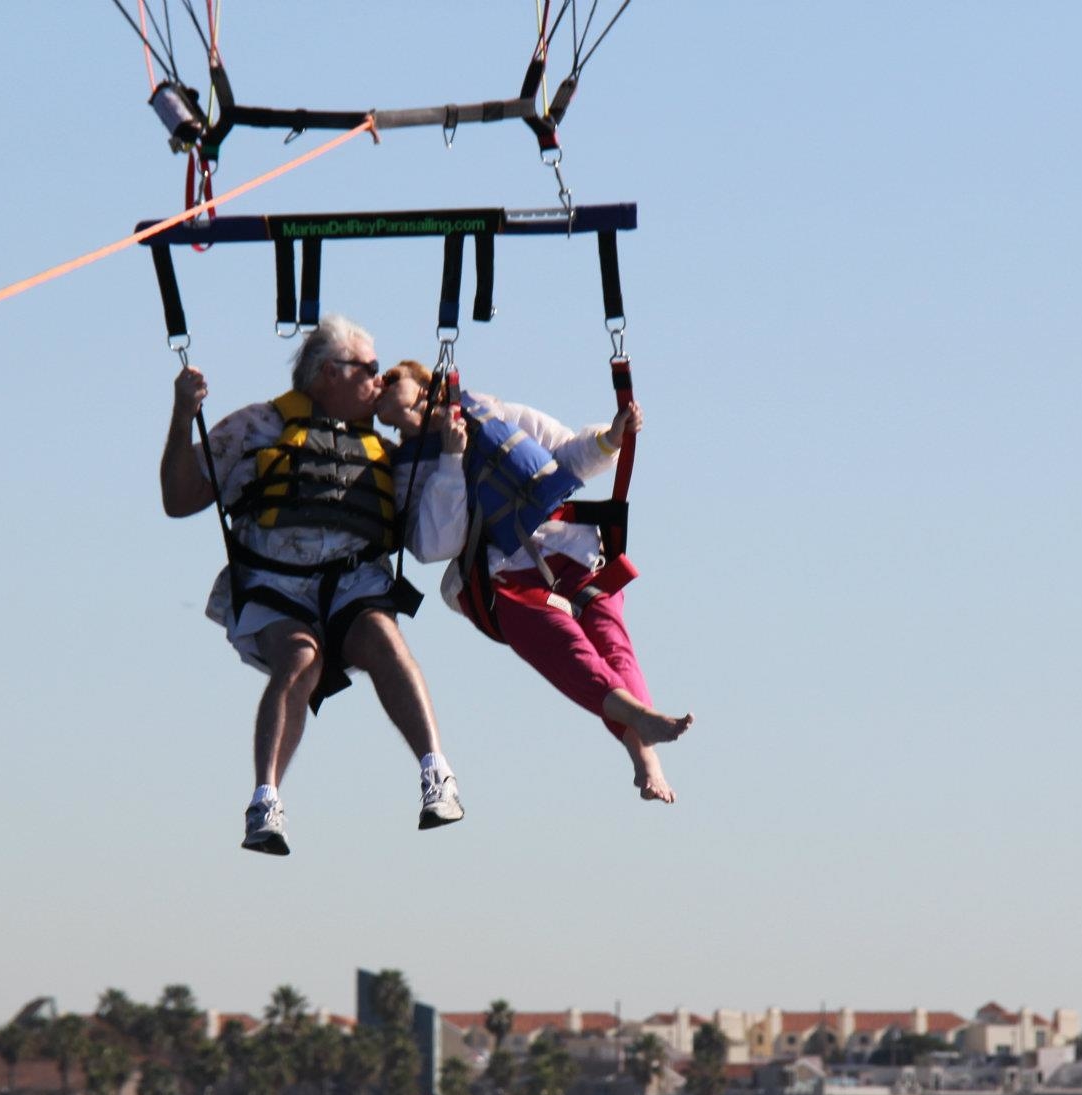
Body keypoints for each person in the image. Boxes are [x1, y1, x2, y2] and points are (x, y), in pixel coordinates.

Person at [161, 319, 464, 854]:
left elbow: (435, 522)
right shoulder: (257, 427)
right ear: (330, 374)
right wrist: (183, 415)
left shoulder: (388, 447)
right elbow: (180, 499)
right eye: (370, 370)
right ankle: (264, 800)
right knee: (301, 659)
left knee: (385, 642)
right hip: (275, 586)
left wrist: (433, 435)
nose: (379, 380)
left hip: (355, 583)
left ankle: (437, 774)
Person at [378, 361, 692, 801]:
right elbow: (435, 544)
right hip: (503, 575)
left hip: (570, 549)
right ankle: (638, 716)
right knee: (564, 645)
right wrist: (450, 458)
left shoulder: (493, 412)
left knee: (610, 638)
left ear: (422, 380)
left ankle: (645, 756)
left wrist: (613, 436)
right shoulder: (408, 472)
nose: (380, 386)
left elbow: (565, 455)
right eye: (379, 395)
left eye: (390, 378)